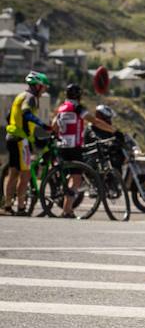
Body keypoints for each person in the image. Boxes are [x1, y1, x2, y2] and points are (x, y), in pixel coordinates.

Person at [52, 84, 116, 218]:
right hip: (74, 147)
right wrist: (112, 130)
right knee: (76, 178)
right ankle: (67, 209)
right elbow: (95, 122)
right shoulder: (77, 108)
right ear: (78, 96)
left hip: (62, 146)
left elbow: (54, 127)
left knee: (71, 177)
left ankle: (67, 208)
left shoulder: (62, 108)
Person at [2, 71, 52, 215]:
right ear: (37, 86)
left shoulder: (20, 96)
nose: (44, 90)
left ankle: (7, 206)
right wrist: (43, 125)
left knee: (13, 173)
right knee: (25, 175)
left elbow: (8, 116)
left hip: (12, 137)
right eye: (44, 87)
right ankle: (21, 207)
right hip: (21, 140)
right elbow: (26, 113)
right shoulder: (31, 98)